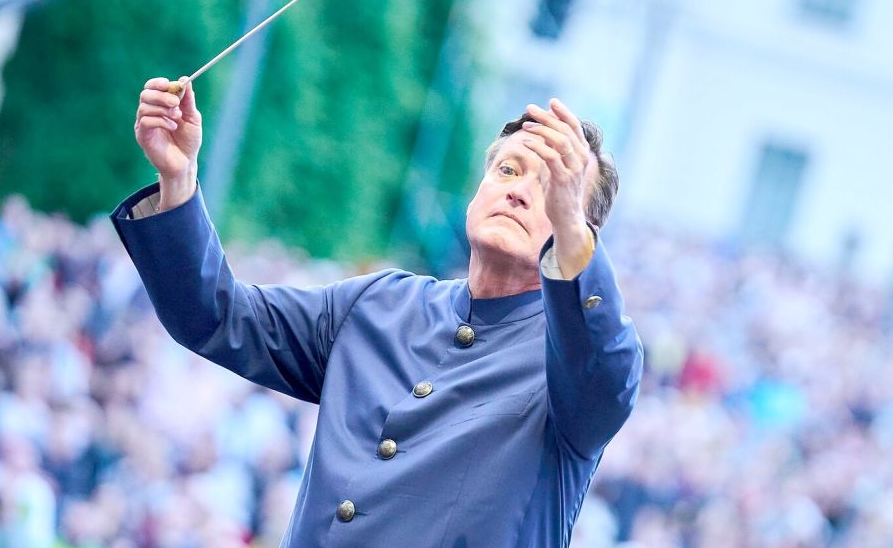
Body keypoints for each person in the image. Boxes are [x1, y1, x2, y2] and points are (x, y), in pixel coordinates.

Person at [110, 76, 644, 547]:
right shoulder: (379, 303)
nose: (520, 193)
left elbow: (607, 368)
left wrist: (573, 233)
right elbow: (216, 316)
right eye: (508, 169)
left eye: (552, 190)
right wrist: (178, 181)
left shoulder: (576, 371)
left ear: (581, 231)